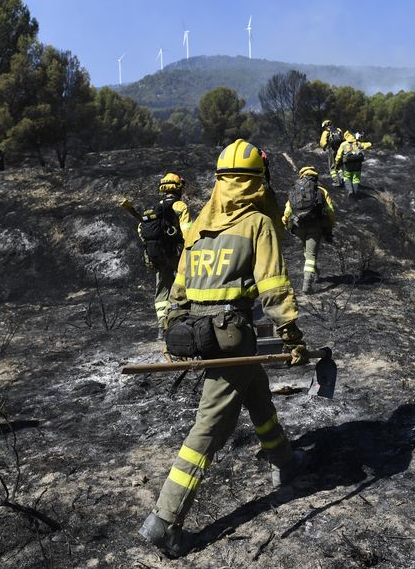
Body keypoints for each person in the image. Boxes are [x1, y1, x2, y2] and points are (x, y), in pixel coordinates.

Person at [139, 139, 309, 557]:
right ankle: (165, 520)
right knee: (210, 426)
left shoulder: (198, 226)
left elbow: (178, 288)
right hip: (233, 337)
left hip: (196, 333)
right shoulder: (257, 224)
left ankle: (283, 460)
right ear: (257, 182)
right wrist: (292, 336)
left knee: (256, 392)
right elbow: (273, 288)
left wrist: (173, 331)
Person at [139, 173, 191, 339]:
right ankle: (183, 320)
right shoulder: (179, 206)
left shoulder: (152, 210)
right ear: (178, 188)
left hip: (158, 256)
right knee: (186, 285)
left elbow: (141, 231)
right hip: (177, 254)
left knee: (162, 291)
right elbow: (188, 231)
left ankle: (162, 326)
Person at [282, 166, 336, 294]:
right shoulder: (321, 191)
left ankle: (316, 273)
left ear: (301, 176)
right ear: (315, 176)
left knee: (307, 250)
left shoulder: (295, 190)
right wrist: (330, 226)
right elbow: (330, 211)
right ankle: (307, 284)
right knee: (311, 255)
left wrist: (286, 223)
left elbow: (288, 211)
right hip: (315, 226)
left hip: (298, 226)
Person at [335, 131, 372, 198]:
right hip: (358, 163)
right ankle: (355, 192)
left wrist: (337, 163)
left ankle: (350, 191)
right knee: (356, 178)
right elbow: (366, 145)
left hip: (348, 164)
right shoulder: (357, 143)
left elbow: (338, 155)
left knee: (347, 177)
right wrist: (370, 143)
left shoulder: (343, 144)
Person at [318, 119, 344, 187]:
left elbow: (323, 143)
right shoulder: (338, 130)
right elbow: (343, 138)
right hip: (340, 149)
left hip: (332, 150)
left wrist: (324, 147)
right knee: (339, 165)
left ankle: (336, 181)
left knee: (332, 167)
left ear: (325, 126)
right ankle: (343, 178)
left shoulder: (326, 132)